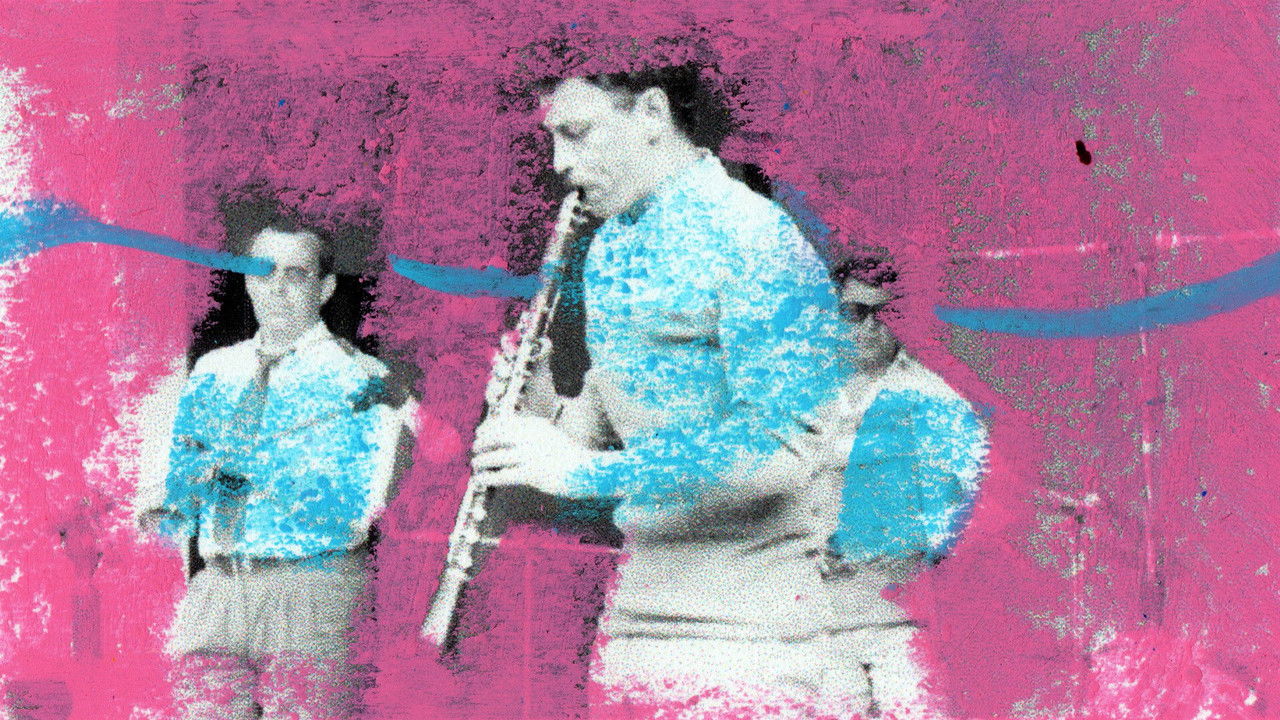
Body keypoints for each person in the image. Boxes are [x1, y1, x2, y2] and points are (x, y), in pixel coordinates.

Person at [469, 64, 856, 716]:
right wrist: (537, 401)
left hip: (748, 636)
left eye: (577, 133)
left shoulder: (754, 236)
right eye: (552, 139)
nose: (560, 163)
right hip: (636, 618)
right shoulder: (611, 248)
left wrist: (584, 472)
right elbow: (601, 431)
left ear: (651, 113)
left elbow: (786, 449)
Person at [138, 211, 415, 720]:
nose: (277, 289)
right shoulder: (214, 370)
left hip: (311, 591)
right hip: (218, 588)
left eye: (297, 274)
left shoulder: (363, 379)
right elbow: (174, 488)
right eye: (264, 272)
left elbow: (357, 506)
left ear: (325, 288)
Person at [814, 259, 988, 718]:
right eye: (855, 313)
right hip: (820, 623)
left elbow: (965, 514)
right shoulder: (811, 397)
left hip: (903, 622)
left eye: (883, 314)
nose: (869, 328)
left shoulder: (935, 399)